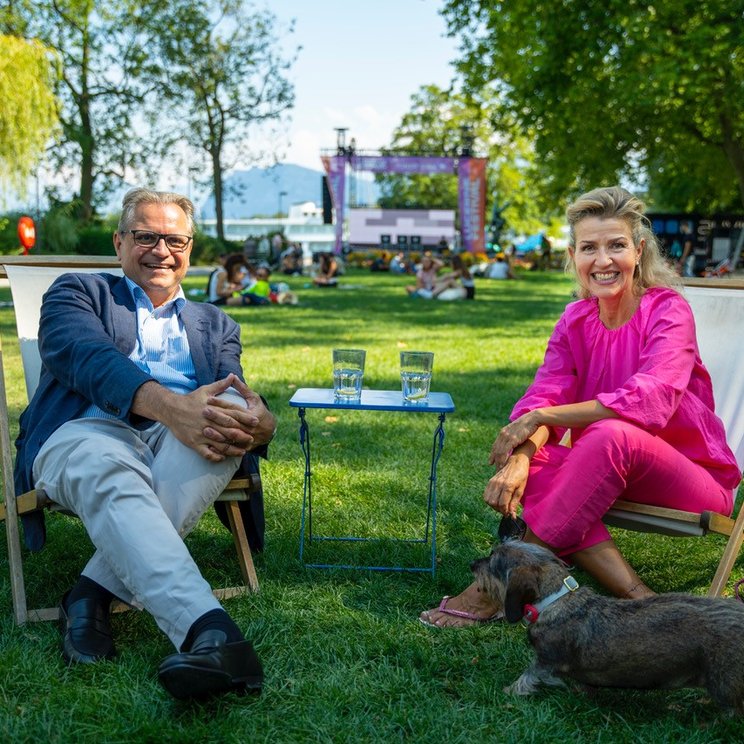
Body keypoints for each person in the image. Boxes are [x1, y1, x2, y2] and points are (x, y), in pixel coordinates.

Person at [420, 185, 740, 627]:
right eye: (589, 247)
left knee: (610, 435)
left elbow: (650, 400)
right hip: (605, 468)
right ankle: (640, 599)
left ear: (638, 250)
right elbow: (544, 395)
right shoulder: (575, 320)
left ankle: (498, 585)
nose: (603, 260)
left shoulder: (668, 310)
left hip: (692, 477)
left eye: (616, 246)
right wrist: (523, 457)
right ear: (574, 256)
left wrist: (540, 418)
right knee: (542, 459)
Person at [17, 188, 276, 698]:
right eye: (146, 236)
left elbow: (232, 391)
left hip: (185, 440)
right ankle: (210, 631)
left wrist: (259, 424)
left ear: (189, 247)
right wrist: (170, 407)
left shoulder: (217, 323)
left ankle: (89, 595)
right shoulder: (77, 293)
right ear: (119, 243)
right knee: (107, 464)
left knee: (225, 429)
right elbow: (84, 357)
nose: (161, 249)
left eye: (174, 239)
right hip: (87, 429)